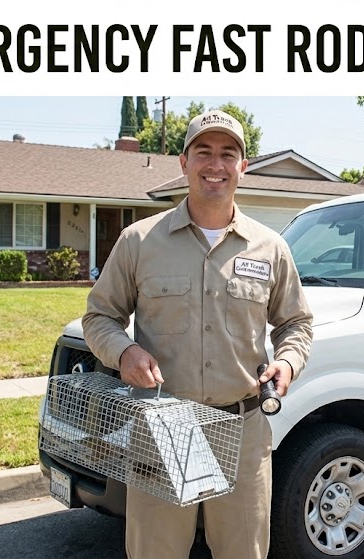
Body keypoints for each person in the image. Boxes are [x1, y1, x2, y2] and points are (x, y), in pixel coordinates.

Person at [82, 109, 314, 559]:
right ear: (183, 162)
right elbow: (99, 318)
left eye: (228, 154)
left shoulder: (271, 248)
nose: (216, 164)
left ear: (243, 167)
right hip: (163, 429)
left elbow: (296, 323)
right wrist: (124, 351)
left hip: (242, 430)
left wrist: (287, 360)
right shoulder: (138, 241)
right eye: (203, 152)